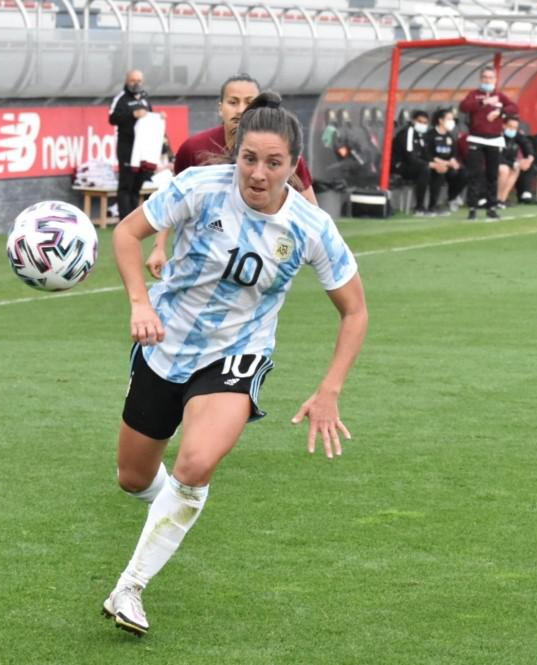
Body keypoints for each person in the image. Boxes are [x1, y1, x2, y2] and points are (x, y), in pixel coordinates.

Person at [103, 91, 368, 634]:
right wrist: (139, 303)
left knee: (196, 462)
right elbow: (127, 233)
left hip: (236, 355)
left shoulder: (311, 228)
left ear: (293, 166)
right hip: (165, 345)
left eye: (274, 163)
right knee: (133, 479)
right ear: (235, 152)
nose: (258, 173)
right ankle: (175, 505)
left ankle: (130, 587)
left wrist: (330, 390)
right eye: (249, 158)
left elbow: (355, 312)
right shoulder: (201, 188)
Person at [145, 74, 317, 277]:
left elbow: (311, 208)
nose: (240, 109)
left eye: (249, 102)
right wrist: (158, 247)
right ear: (220, 107)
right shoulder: (193, 149)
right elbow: (170, 200)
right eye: (233, 102)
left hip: (254, 271)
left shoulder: (281, 155)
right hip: (194, 268)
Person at [459, 66, 518, 221]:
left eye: (491, 77)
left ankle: (491, 207)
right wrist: (484, 102)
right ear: (481, 79)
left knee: (492, 174)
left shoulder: (499, 96)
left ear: (495, 80)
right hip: (476, 138)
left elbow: (514, 107)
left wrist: (500, 112)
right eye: (485, 77)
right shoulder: (474, 94)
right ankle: (472, 207)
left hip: (494, 139)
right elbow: (464, 107)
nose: (488, 80)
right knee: (475, 174)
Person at [109, 69, 152, 220]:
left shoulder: (145, 99)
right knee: (126, 184)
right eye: (133, 80)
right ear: (127, 81)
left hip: (142, 148)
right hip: (127, 147)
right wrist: (132, 115)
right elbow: (112, 118)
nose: (136, 84)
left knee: (137, 184)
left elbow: (150, 118)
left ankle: (134, 219)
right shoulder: (121, 98)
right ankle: (124, 219)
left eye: (139, 81)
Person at [391, 109, 432, 216]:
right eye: (420, 121)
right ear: (413, 121)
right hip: (400, 166)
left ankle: (433, 205)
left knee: (436, 170)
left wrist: (437, 164)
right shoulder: (408, 132)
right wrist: (428, 164)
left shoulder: (421, 135)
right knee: (424, 169)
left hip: (413, 165)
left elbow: (426, 155)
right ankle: (419, 207)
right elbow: (410, 157)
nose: (422, 125)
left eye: (425, 123)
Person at [426, 108, 466, 215]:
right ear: (440, 120)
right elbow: (428, 154)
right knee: (440, 172)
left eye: (452, 119)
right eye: (449, 119)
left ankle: (452, 197)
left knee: (463, 173)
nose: (452, 122)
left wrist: (453, 161)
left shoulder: (450, 137)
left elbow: (453, 153)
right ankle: (432, 206)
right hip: (433, 165)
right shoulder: (430, 135)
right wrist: (442, 162)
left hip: (447, 164)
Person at [496, 116, 536, 207]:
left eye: (515, 128)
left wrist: (530, 157)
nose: (512, 130)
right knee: (505, 169)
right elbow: (497, 156)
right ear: (504, 125)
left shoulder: (516, 135)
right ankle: (496, 199)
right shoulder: (497, 135)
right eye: (510, 126)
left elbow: (526, 143)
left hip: (508, 161)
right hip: (495, 162)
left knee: (516, 168)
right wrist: (514, 163)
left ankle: (503, 199)